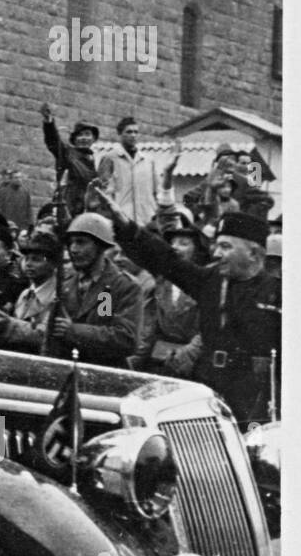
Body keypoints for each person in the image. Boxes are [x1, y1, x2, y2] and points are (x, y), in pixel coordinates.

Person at [97, 182, 280, 427]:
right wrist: (124, 224)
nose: (216, 253)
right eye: (216, 245)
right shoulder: (211, 282)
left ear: (254, 255)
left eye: (226, 247)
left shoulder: (278, 294)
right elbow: (164, 259)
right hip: (208, 392)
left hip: (253, 402)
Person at [45, 212, 141, 368]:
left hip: (105, 373)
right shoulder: (66, 282)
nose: (73, 249)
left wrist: (74, 331)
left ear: (100, 246)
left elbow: (126, 339)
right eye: (70, 243)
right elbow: (51, 337)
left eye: (81, 242)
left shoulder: (122, 286)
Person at [132, 221, 206, 376]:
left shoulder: (206, 283)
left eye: (183, 243)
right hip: (159, 357)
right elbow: (150, 326)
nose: (175, 247)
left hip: (191, 362)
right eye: (172, 243)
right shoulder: (161, 282)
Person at [0, 230, 61, 353]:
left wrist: (9, 325)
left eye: (36, 260)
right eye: (27, 259)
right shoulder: (25, 294)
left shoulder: (58, 296)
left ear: (53, 264)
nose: (28, 264)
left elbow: (45, 335)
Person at [97, 116, 158, 227]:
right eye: (129, 132)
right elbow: (103, 194)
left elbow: (156, 191)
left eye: (136, 132)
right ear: (120, 134)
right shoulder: (110, 159)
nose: (133, 135)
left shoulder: (148, 160)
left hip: (146, 220)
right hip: (122, 220)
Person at [40, 104, 98, 217]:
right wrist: (49, 122)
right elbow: (53, 141)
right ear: (75, 139)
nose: (84, 138)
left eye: (87, 134)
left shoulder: (97, 160)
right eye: (80, 135)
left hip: (91, 210)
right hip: (71, 209)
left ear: (93, 139)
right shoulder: (68, 153)